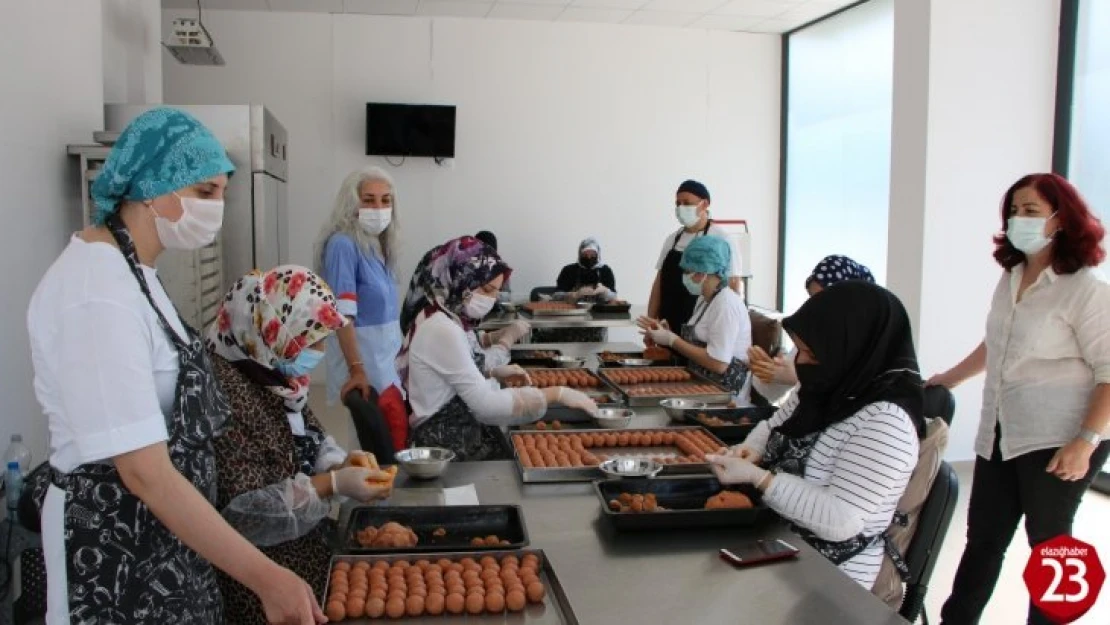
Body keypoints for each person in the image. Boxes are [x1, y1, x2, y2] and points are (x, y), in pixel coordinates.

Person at [26, 107, 323, 624]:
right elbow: (143, 472)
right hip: (116, 546)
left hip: (170, 537)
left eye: (221, 194)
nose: (216, 208)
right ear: (151, 185)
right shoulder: (97, 291)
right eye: (204, 192)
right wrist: (267, 579)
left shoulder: (136, 271)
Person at [928, 173, 1110, 625]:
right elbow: (998, 344)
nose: (1017, 219)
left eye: (1030, 211)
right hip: (1001, 432)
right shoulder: (1010, 278)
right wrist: (949, 378)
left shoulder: (1086, 291)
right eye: (1013, 210)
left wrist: (1085, 441)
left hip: (1061, 434)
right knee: (984, 540)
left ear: (1061, 219)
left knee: (1051, 545)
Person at [207, 265, 395, 624]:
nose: (320, 350)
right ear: (273, 329)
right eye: (312, 339)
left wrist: (339, 464)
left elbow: (311, 439)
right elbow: (245, 516)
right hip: (266, 584)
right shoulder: (227, 395)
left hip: (308, 554)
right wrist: (332, 485)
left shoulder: (275, 375)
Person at [706, 281, 923, 589]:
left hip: (830, 577)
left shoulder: (887, 424)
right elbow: (772, 424)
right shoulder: (824, 386)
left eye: (812, 353)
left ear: (852, 349)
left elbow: (841, 520)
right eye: (802, 350)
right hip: (777, 537)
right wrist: (751, 449)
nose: (801, 363)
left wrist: (762, 479)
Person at [397, 237, 599, 460]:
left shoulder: (446, 318)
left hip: (457, 431)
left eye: (495, 292)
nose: (491, 300)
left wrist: (489, 371)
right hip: (446, 448)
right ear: (460, 278)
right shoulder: (441, 329)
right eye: (485, 289)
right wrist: (555, 394)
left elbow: (451, 373)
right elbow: (486, 406)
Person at [316, 166, 408, 451]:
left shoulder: (378, 246)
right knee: (369, 443)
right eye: (368, 199)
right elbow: (342, 316)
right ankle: (364, 495)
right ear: (352, 202)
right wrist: (357, 370)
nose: (378, 208)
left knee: (387, 437)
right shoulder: (343, 244)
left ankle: (382, 493)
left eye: (385, 200)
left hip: (385, 358)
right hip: (362, 359)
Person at [637, 236, 753, 405]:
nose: (685, 277)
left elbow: (718, 363)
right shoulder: (705, 299)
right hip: (703, 384)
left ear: (703, 272)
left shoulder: (726, 305)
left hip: (725, 395)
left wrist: (672, 340)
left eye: (687, 271)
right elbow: (700, 343)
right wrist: (667, 333)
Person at [748, 255, 875, 389]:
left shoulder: (868, 343)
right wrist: (769, 371)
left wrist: (799, 377)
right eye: (812, 298)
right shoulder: (813, 333)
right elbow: (777, 394)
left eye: (823, 299)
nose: (815, 307)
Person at [648, 179, 743, 333]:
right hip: (667, 324)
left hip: (702, 327)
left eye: (686, 203)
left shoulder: (722, 240)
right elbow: (659, 282)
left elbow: (733, 284)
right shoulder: (672, 239)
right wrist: (651, 321)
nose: (680, 208)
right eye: (677, 204)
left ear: (704, 204)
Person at [556, 237, 618, 302]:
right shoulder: (568, 270)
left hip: (599, 310)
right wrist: (576, 294)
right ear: (580, 255)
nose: (589, 258)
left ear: (598, 255)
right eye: (585, 255)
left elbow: (614, 296)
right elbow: (556, 296)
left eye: (593, 255)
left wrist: (605, 292)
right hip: (573, 310)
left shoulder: (605, 270)